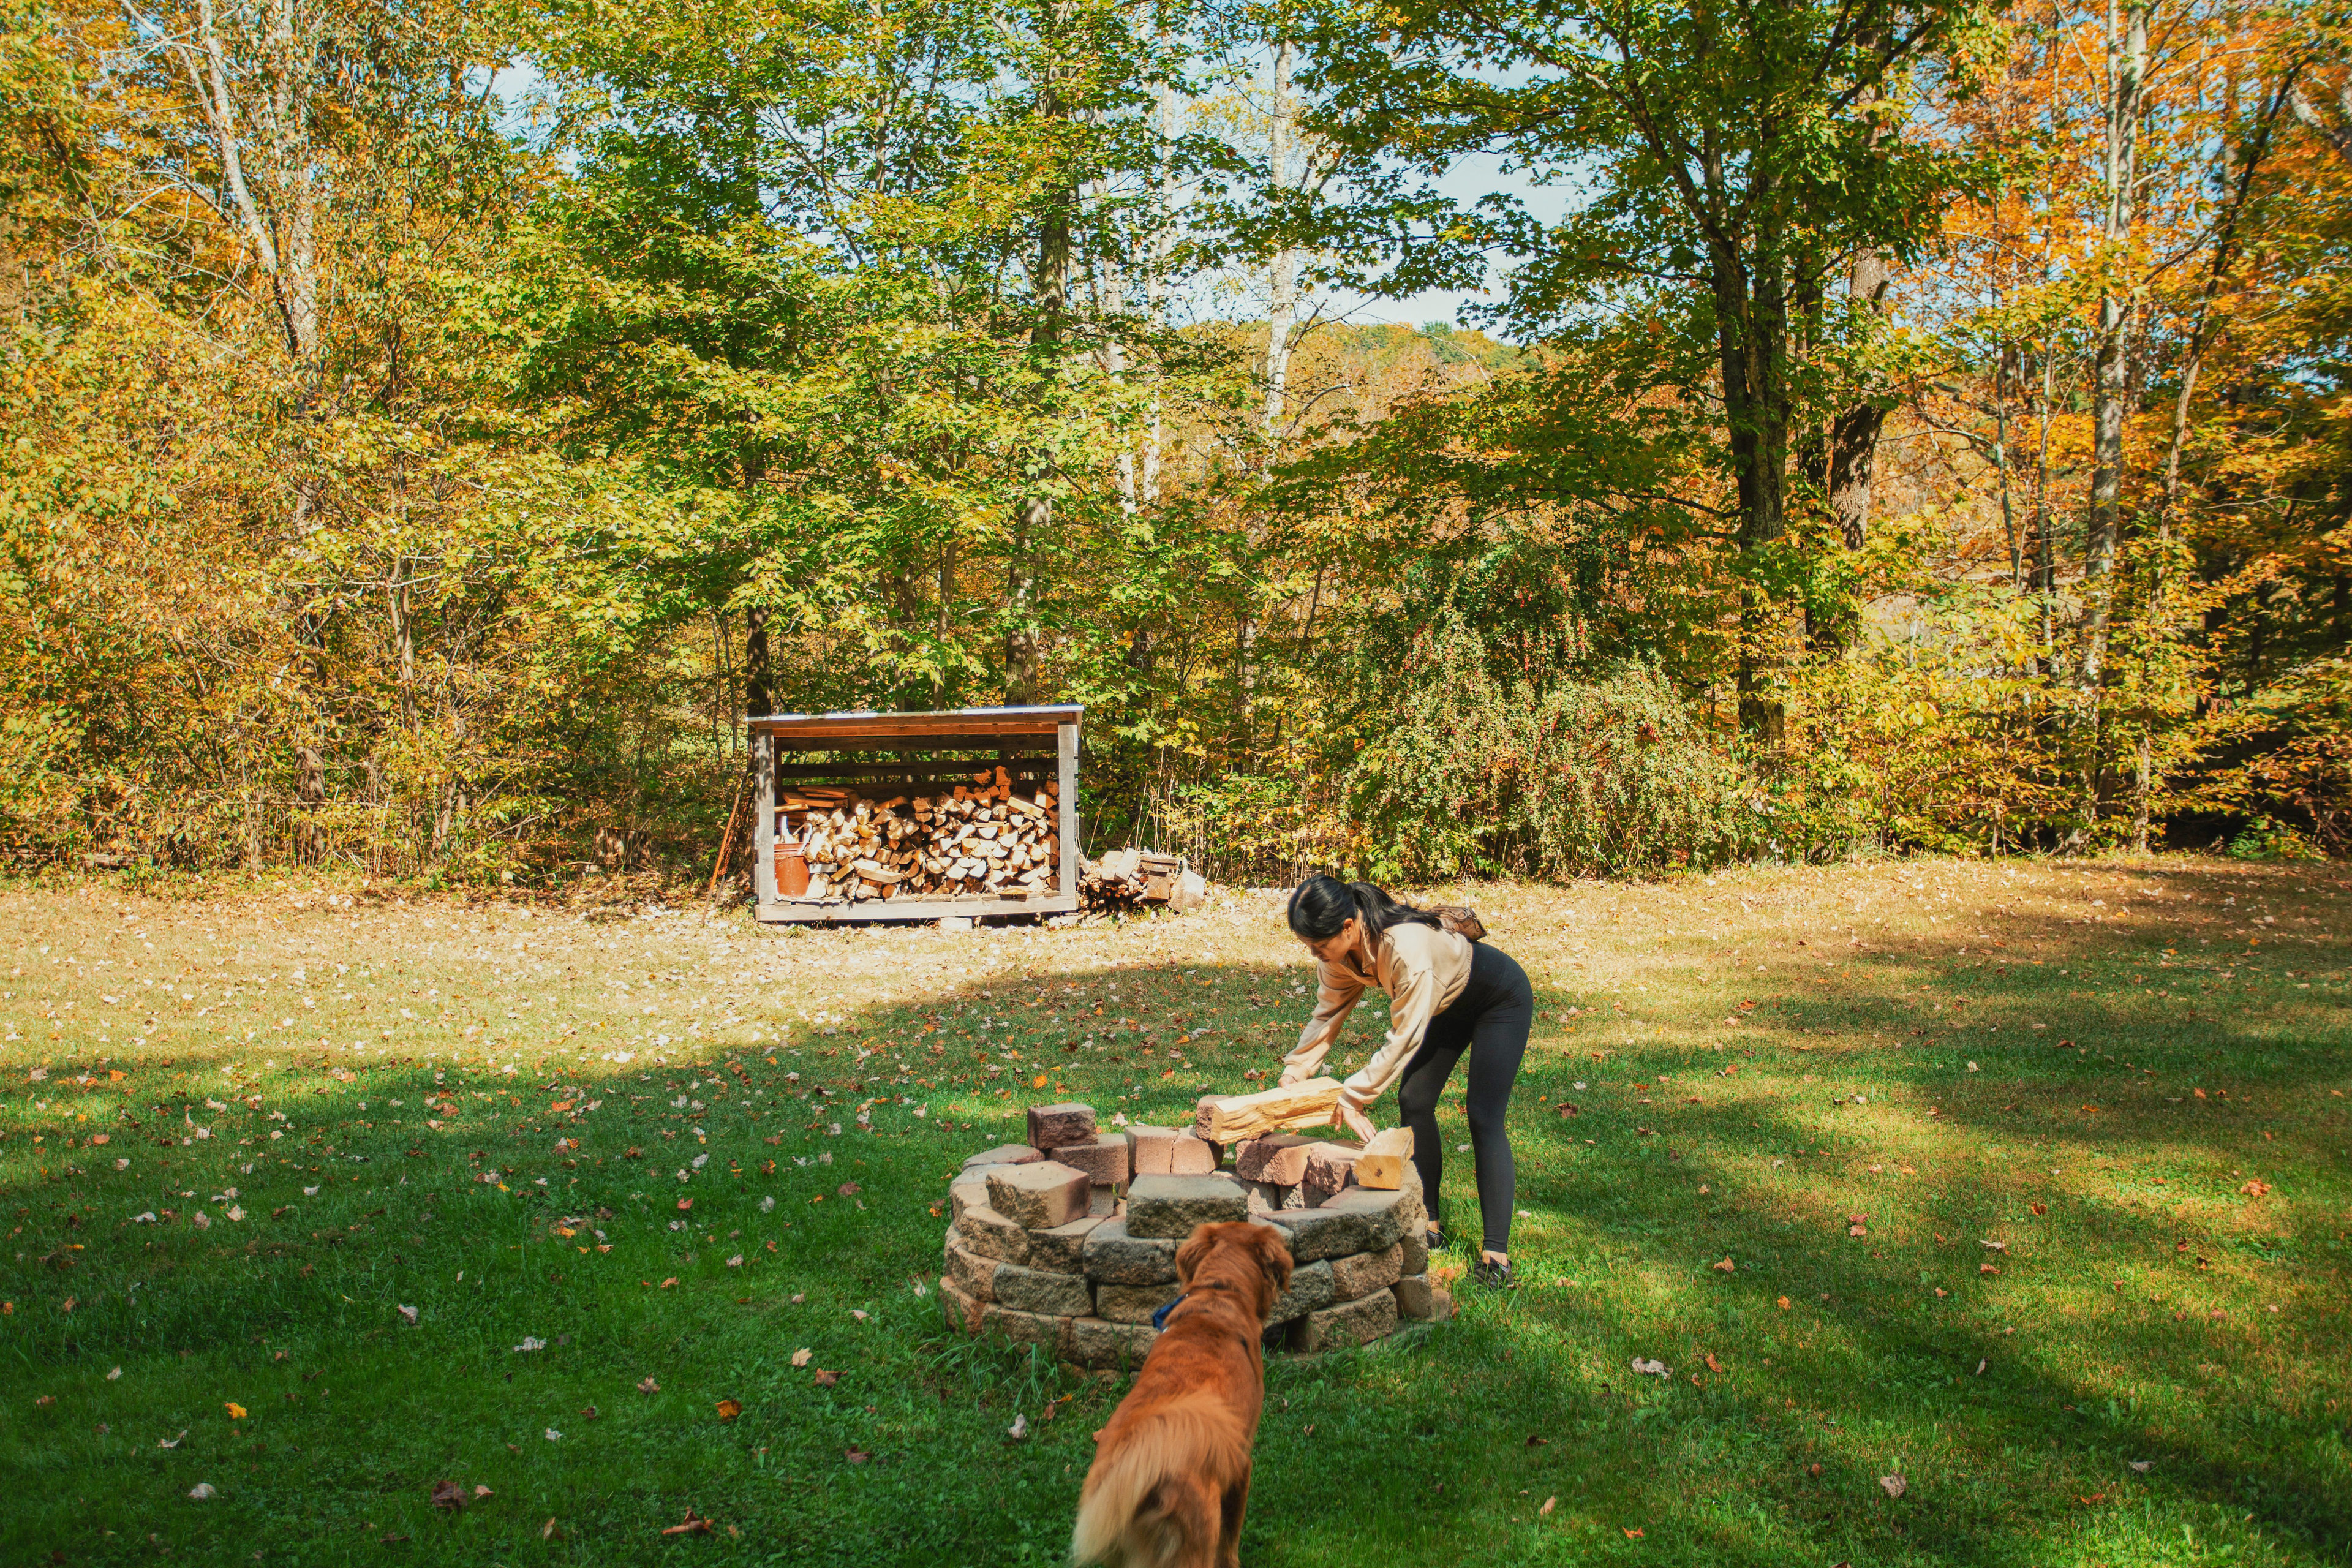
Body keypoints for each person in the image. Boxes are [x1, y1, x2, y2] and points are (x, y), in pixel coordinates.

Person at [1279, 874, 1533, 1289]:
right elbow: (1327, 1014)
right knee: (1415, 1099)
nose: (1314, 955)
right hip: (1445, 1003)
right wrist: (1296, 1070)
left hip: (1498, 999)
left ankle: (1495, 1257)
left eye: (1318, 945)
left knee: (1483, 1114)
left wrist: (1352, 1095)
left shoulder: (1405, 946)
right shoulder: (1340, 956)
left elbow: (1405, 1037)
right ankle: (1429, 1226)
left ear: (1348, 927)